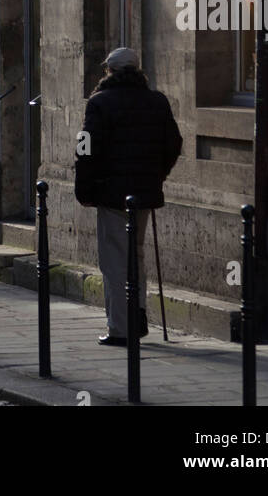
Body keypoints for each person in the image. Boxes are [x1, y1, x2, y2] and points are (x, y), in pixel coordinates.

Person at [74, 46, 182, 346]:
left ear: (109, 71)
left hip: (112, 194)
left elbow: (85, 148)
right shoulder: (156, 101)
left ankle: (121, 328)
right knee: (136, 255)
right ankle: (138, 316)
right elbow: (174, 143)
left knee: (114, 261)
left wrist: (84, 188)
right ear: (136, 71)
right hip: (144, 193)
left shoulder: (100, 103)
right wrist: (158, 174)